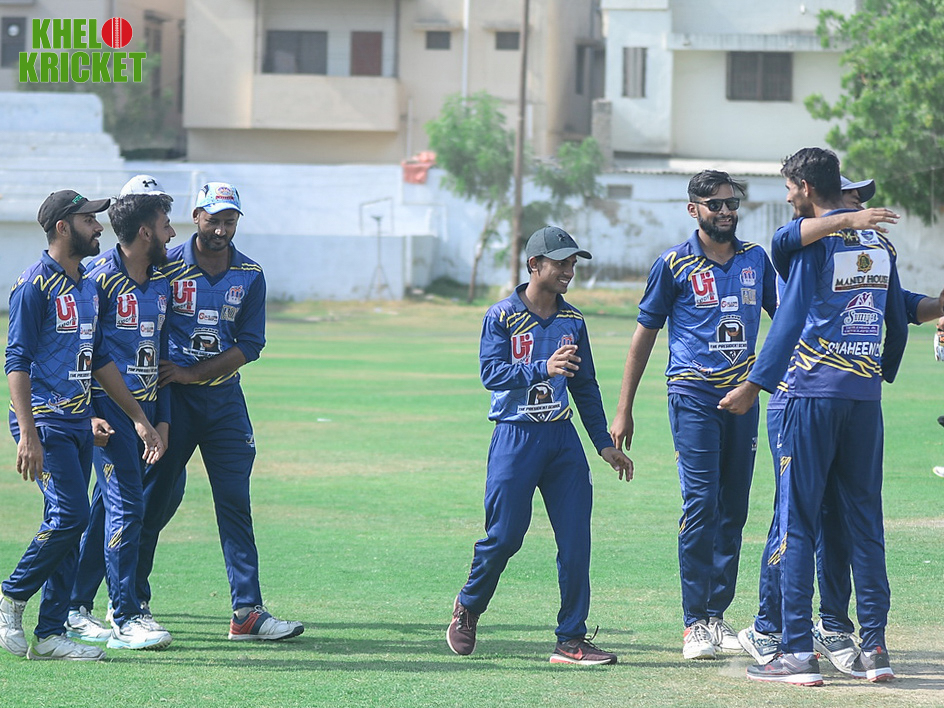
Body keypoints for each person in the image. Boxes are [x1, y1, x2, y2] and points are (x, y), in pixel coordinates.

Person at [737, 174, 941, 675]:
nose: (863, 207)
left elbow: (894, 305)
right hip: (855, 397)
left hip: (807, 394)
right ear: (834, 196)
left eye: (864, 203)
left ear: (806, 189)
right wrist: (848, 221)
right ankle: (863, 646)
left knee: (799, 521)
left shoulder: (851, 245)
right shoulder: (816, 239)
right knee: (851, 521)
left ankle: (800, 647)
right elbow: (788, 240)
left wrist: (756, 383)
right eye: (855, 198)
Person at [610, 170, 777, 660]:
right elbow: (644, 335)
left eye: (732, 203)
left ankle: (717, 615)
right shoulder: (673, 264)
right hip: (693, 393)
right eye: (715, 204)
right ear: (694, 210)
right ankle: (693, 623)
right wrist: (624, 409)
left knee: (734, 507)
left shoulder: (756, 259)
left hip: (743, 397)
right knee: (702, 503)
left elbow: (786, 317)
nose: (725, 211)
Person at [447, 226, 633, 665]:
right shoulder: (501, 316)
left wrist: (603, 444)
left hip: (562, 439)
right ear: (534, 264)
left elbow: (584, 386)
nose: (570, 271)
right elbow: (491, 374)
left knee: (576, 541)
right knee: (505, 537)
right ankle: (468, 606)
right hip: (515, 437)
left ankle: (571, 639)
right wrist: (541, 367)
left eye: (573, 263)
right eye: (561, 263)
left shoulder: (574, 321)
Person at [0, 190, 165, 661]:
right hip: (45, 422)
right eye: (89, 220)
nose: (98, 227)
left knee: (69, 524)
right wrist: (28, 433)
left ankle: (51, 633)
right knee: (70, 516)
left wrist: (138, 418)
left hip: (78, 420)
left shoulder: (89, 286)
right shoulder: (33, 285)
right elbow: (16, 360)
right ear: (62, 227)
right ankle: (11, 596)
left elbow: (100, 360)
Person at [135, 182, 304, 641]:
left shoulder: (250, 274)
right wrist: (172, 382)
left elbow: (251, 344)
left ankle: (246, 611)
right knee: (153, 499)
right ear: (196, 216)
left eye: (230, 221)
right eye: (213, 220)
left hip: (224, 402)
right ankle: (132, 603)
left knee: (235, 503)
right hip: (172, 402)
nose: (221, 229)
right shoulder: (166, 265)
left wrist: (195, 373)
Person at [64, 175, 176, 650]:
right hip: (110, 413)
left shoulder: (162, 281)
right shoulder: (97, 278)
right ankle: (125, 615)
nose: (172, 233)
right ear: (146, 231)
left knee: (111, 507)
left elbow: (161, 352)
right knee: (127, 506)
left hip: (147, 412)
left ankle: (75, 605)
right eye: (166, 225)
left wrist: (161, 419)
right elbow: (82, 350)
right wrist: (90, 413)